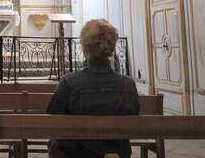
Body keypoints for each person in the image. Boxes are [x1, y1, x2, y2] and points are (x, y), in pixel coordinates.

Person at [46, 19, 139, 158]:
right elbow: (133, 116)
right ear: (111, 49)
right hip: (118, 153)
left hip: (76, 154)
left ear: (84, 49)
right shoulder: (129, 84)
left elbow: (52, 119)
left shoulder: (69, 83)